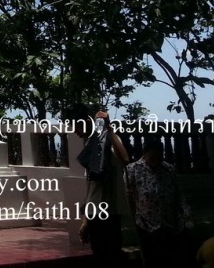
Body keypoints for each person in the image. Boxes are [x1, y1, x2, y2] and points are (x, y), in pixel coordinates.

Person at [125, 137, 193, 267]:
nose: (156, 161)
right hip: (146, 225)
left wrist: (186, 213)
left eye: (159, 157)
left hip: (170, 223)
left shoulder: (169, 169)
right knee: (152, 261)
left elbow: (179, 194)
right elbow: (130, 197)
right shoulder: (132, 170)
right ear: (144, 155)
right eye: (152, 157)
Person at [78, 109, 129, 267]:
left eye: (77, 127)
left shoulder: (110, 140)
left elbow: (125, 159)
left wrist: (109, 129)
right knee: (99, 253)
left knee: (113, 253)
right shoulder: (90, 145)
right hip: (94, 211)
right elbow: (90, 186)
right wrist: (86, 219)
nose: (76, 132)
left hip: (111, 209)